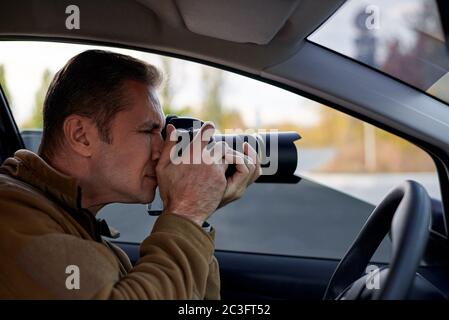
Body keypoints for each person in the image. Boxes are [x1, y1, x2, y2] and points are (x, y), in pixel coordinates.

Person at [0, 50, 260, 299]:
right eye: (149, 131)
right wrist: (186, 212)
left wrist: (197, 217)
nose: (161, 150)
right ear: (81, 136)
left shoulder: (82, 231)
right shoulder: (9, 214)